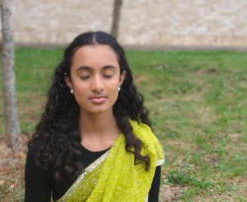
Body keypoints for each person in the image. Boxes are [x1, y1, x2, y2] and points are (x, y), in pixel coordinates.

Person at [24, 31, 165, 202]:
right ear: (69, 81)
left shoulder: (143, 146)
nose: (97, 86)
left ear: (121, 78)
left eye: (107, 75)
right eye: (85, 76)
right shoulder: (45, 152)